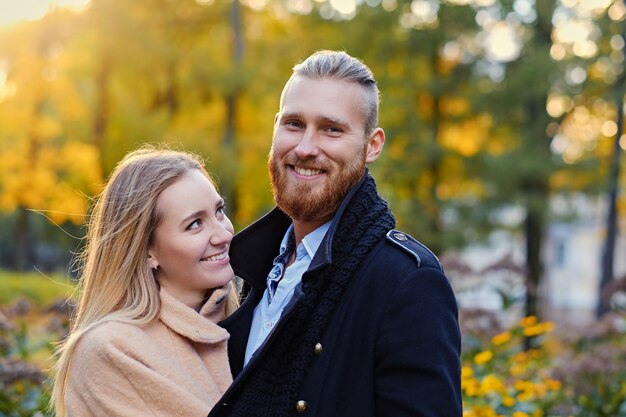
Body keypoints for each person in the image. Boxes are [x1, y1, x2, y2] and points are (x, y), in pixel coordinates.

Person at [211, 50, 462, 417]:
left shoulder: (407, 282)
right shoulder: (253, 268)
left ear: (372, 145)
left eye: (332, 129)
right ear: (276, 127)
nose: (306, 147)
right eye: (294, 124)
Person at [50, 148, 237, 417]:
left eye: (219, 211)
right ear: (147, 250)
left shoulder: (250, 318)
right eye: (195, 224)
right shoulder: (110, 349)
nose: (223, 234)